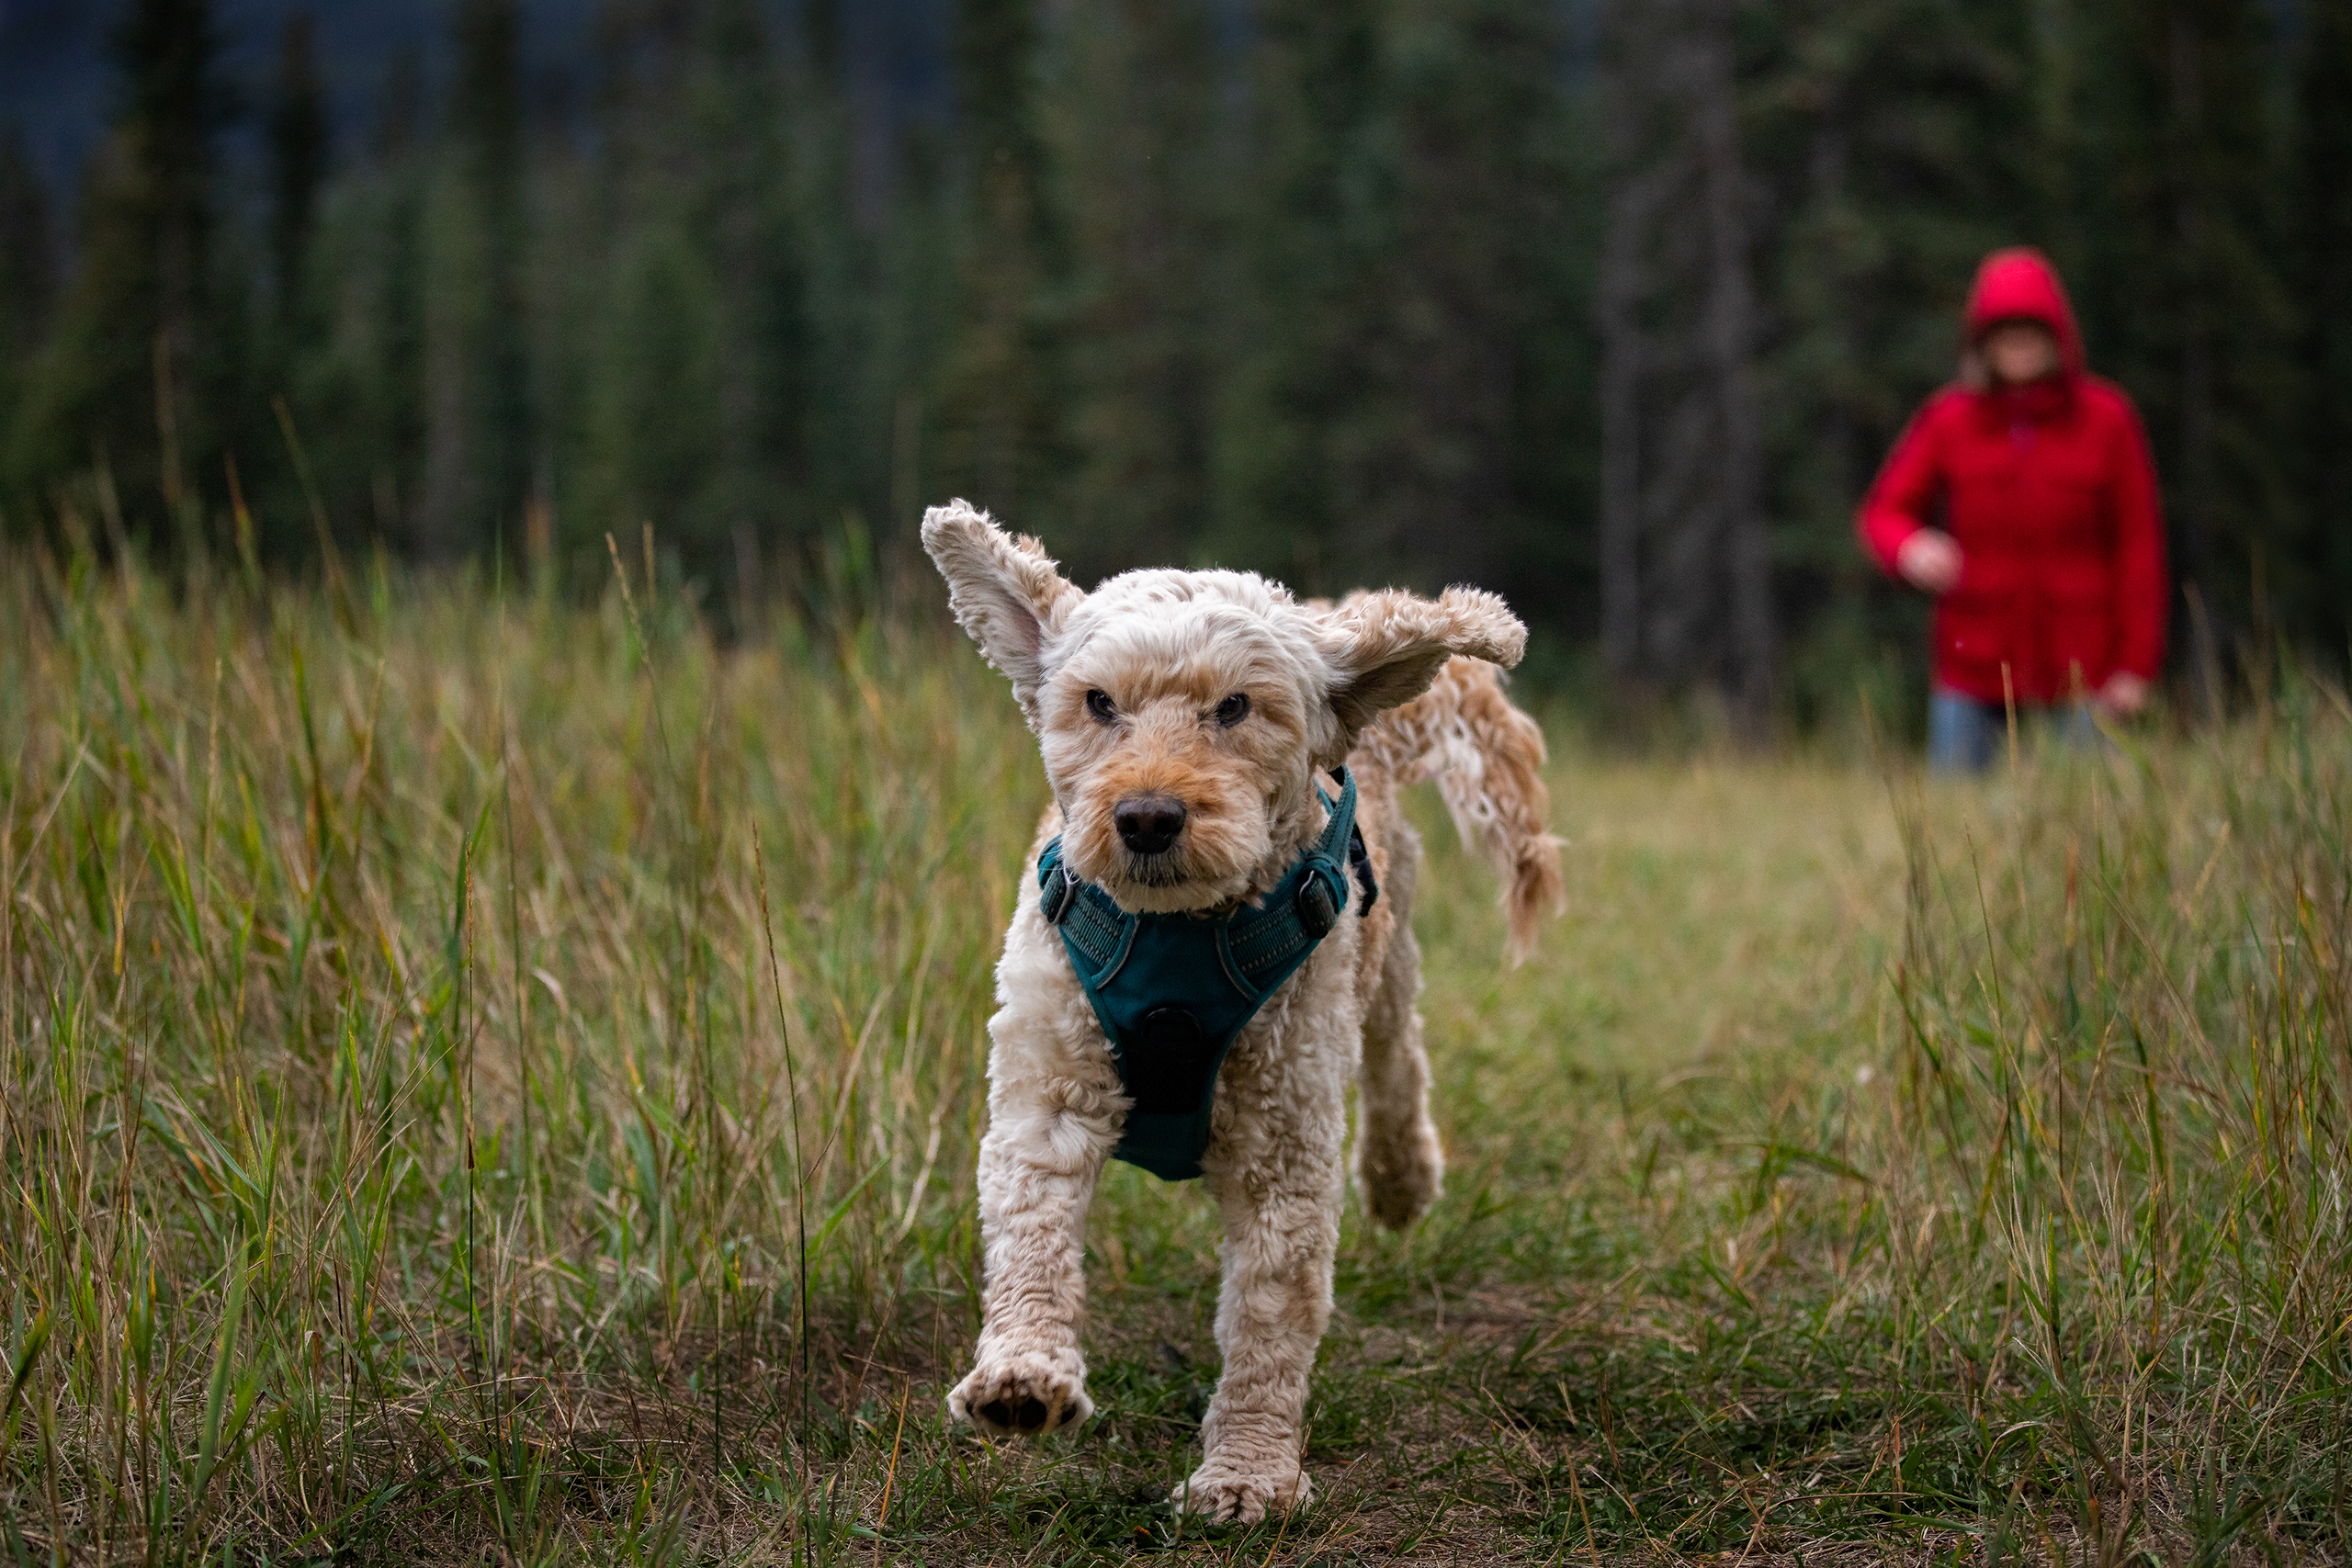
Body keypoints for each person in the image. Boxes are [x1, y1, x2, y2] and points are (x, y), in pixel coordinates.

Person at [1857, 247, 2168, 773]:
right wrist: (1910, 547)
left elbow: (2139, 547)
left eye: (2031, 330)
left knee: (2086, 835)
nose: (2019, 344)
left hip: (2083, 674)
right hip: (1972, 667)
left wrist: (2135, 666)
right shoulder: (1948, 420)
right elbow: (1883, 513)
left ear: (2059, 337)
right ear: (1980, 344)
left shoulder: (2108, 420)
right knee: (1957, 834)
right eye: (2003, 332)